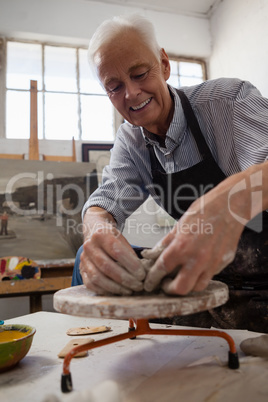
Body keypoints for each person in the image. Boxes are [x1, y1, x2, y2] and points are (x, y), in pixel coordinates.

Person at [72, 14, 268, 333]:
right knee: (89, 257)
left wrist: (227, 204)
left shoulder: (228, 102)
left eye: (139, 74)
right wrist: (96, 229)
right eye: (115, 86)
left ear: (164, 63)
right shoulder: (131, 140)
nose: (131, 93)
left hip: (261, 285)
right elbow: (104, 203)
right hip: (209, 283)